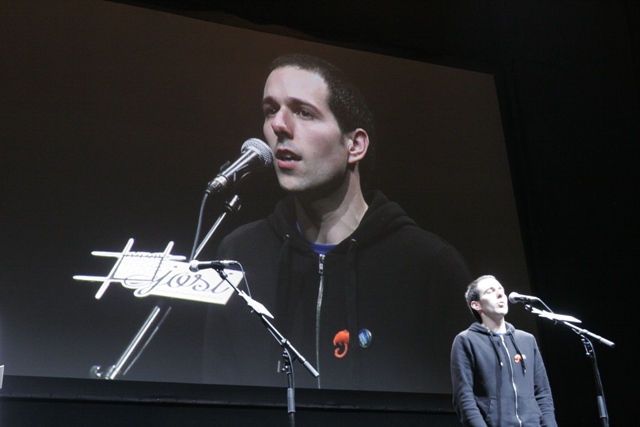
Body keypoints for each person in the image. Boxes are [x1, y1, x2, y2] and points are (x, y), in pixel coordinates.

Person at [202, 53, 472, 393]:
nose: (279, 126)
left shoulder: (427, 264)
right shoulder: (240, 256)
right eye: (271, 110)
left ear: (354, 145)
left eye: (303, 112)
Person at [450, 275, 557, 426]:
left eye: (501, 289)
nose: (500, 294)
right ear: (476, 305)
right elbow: (464, 398)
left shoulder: (527, 340)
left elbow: (543, 394)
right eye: (490, 291)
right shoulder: (467, 340)